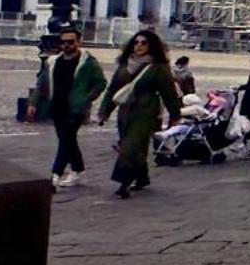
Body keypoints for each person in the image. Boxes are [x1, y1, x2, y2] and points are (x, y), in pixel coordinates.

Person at [99, 29, 178, 198]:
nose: (139, 46)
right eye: (136, 42)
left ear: (151, 46)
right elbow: (113, 89)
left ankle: (124, 183)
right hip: (125, 112)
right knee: (136, 146)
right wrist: (104, 111)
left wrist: (174, 114)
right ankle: (142, 177)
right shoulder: (124, 64)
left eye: (144, 43)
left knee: (130, 147)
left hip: (145, 111)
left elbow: (168, 92)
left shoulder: (158, 68)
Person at [31, 26, 106, 188]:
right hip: (57, 106)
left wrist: (86, 99)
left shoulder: (88, 63)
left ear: (79, 42)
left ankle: (55, 175)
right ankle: (77, 169)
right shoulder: (53, 62)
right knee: (67, 139)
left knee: (66, 140)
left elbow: (101, 83)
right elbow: (42, 83)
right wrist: (33, 102)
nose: (66, 45)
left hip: (76, 109)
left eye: (70, 42)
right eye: (63, 42)